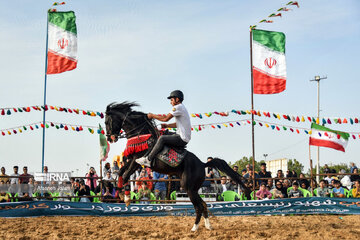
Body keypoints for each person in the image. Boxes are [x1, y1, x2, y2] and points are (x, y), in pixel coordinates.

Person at [136, 90, 191, 167]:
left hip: (181, 138)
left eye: (171, 100)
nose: (170, 102)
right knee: (163, 133)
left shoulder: (178, 107)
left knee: (162, 138)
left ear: (177, 99)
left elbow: (165, 118)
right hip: (181, 136)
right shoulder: (182, 108)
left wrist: (152, 116)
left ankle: (148, 159)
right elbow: (177, 124)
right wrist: (166, 126)